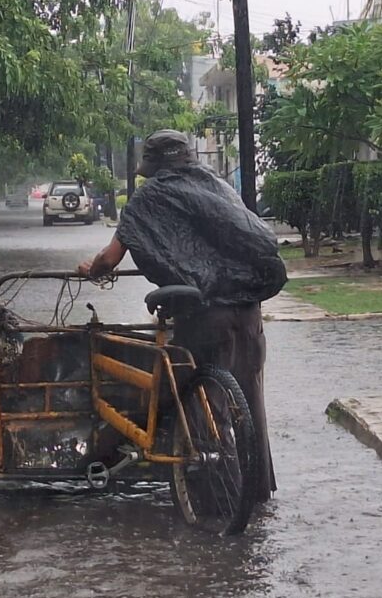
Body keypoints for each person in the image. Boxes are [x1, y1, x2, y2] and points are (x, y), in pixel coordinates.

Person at [78, 129, 286, 502]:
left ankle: (213, 493)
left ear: (153, 166)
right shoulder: (218, 188)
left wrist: (90, 269)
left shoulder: (147, 199)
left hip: (205, 316)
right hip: (248, 313)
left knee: (201, 400)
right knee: (251, 399)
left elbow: (109, 259)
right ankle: (257, 491)